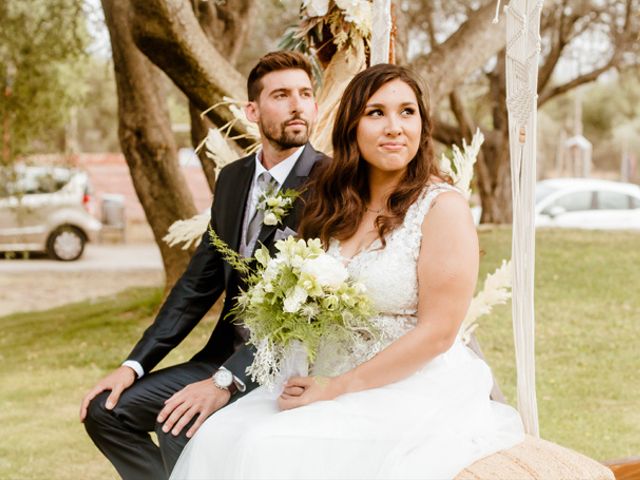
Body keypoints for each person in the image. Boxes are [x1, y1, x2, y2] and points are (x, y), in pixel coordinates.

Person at [170, 63, 525, 480]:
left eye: (407, 112)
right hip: (326, 375)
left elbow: (438, 333)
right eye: (376, 113)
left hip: (407, 388)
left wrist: (338, 388)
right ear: (352, 127)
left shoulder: (441, 208)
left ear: (422, 125)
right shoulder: (334, 207)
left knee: (266, 448)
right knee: (219, 437)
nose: (394, 127)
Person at [79, 50, 326, 479]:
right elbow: (196, 285)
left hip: (289, 364)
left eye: (305, 94)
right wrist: (132, 365)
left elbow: (312, 316)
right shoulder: (232, 179)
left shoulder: (331, 182)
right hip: (222, 354)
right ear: (252, 110)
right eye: (281, 95)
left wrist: (223, 383)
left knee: (178, 421)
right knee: (105, 411)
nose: (297, 105)